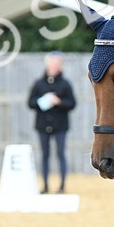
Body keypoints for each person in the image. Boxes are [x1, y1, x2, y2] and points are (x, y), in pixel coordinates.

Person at [27, 52, 76, 194]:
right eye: (52, 64)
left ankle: (62, 185)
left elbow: (72, 103)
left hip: (60, 125)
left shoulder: (65, 84)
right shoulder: (39, 83)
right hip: (42, 125)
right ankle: (45, 185)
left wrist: (59, 102)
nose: (55, 66)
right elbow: (30, 102)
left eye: (57, 64)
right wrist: (42, 101)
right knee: (44, 155)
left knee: (61, 154)